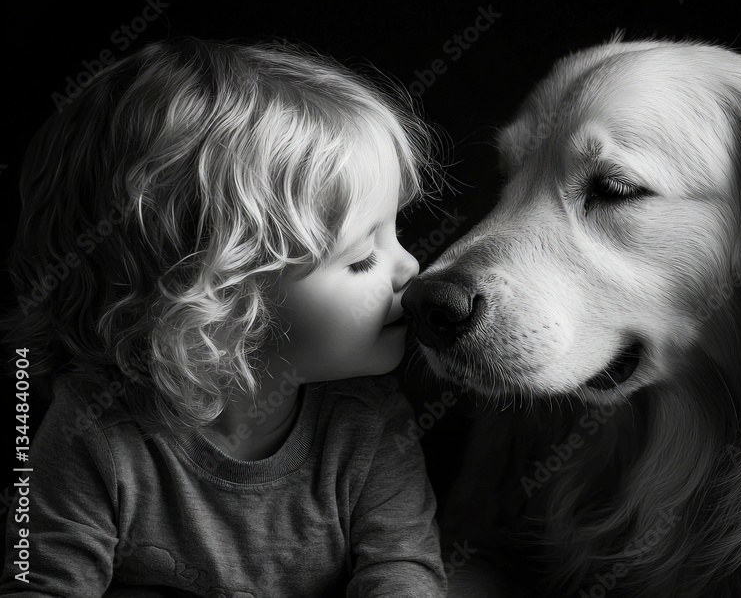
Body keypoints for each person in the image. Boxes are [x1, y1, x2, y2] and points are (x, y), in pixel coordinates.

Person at [0, 38, 448, 597]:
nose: (412, 266)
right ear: (217, 306)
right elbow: (39, 585)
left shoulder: (370, 422)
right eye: (361, 258)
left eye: (396, 231)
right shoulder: (92, 431)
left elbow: (403, 571)